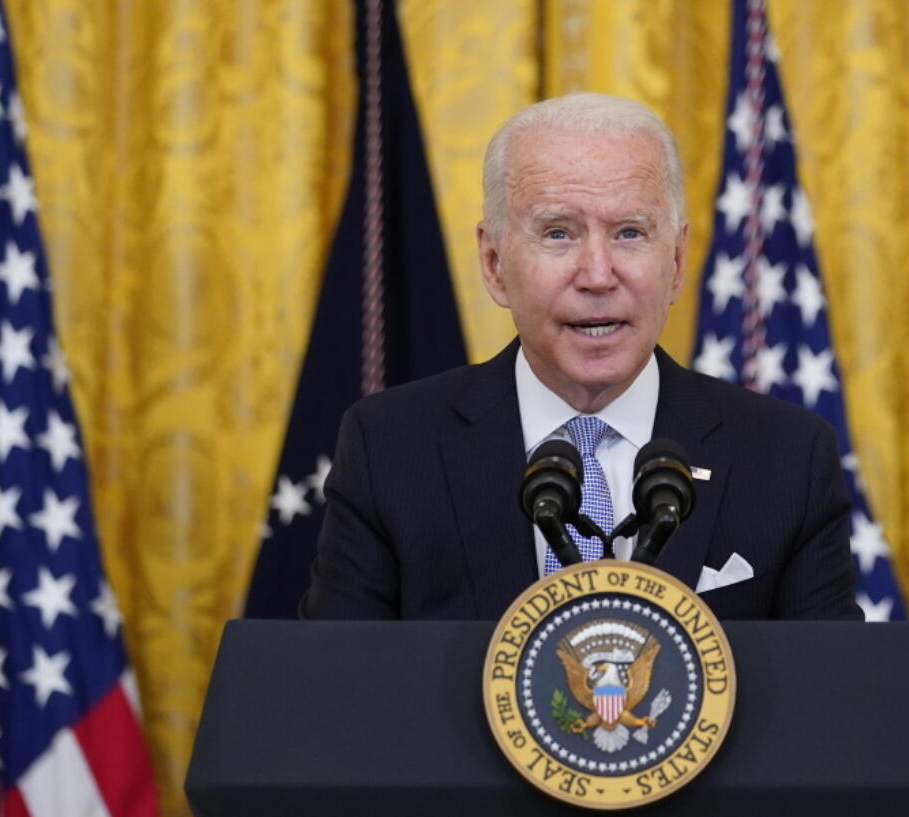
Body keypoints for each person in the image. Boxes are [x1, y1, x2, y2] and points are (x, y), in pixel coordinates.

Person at [301, 93, 862, 621]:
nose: (598, 275)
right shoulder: (390, 449)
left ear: (677, 260)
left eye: (629, 233)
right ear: (495, 264)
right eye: (559, 233)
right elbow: (337, 693)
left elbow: (829, 701)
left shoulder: (789, 458)